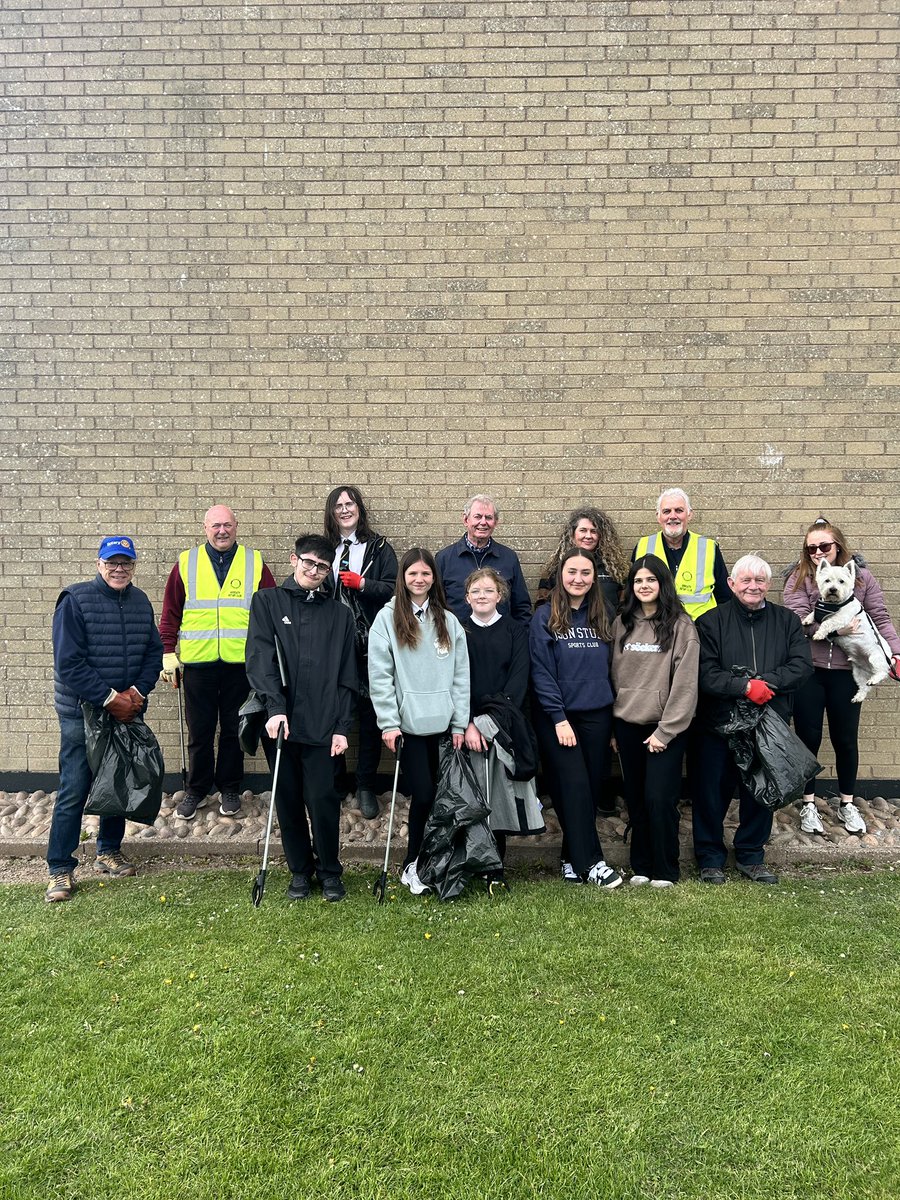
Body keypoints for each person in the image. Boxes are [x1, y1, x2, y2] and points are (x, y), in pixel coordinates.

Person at [47, 536, 163, 903]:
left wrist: (138, 694)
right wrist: (110, 698)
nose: (119, 568)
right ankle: (59, 869)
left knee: (117, 781)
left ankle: (108, 850)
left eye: (126, 563)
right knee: (74, 788)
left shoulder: (140, 600)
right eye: (112, 562)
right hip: (82, 712)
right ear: (99, 563)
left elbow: (153, 651)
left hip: (126, 709)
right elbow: (69, 663)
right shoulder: (75, 600)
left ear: (133, 566)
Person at [245, 535, 357, 902]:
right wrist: (275, 708)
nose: (314, 571)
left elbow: (346, 674)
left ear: (329, 572)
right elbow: (259, 658)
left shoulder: (341, 614)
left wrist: (342, 728)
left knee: (324, 800)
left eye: (322, 567)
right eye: (308, 562)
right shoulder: (267, 602)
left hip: (323, 725)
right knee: (288, 799)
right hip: (281, 724)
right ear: (294, 560)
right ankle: (299, 871)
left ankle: (329, 871)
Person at [693, 554, 813, 885]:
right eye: (745, 580)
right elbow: (704, 672)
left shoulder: (787, 621)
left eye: (760, 580)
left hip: (769, 724)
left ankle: (751, 855)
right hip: (720, 724)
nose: (753, 586)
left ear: (768, 585)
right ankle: (710, 857)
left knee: (761, 789)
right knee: (711, 791)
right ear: (731, 584)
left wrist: (767, 684)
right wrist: (744, 686)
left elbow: (801, 666)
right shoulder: (709, 621)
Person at [782, 517, 900, 837]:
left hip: (848, 671)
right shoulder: (799, 578)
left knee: (845, 739)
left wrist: (895, 653)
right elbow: (797, 624)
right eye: (812, 548)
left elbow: (879, 618)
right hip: (809, 671)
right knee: (808, 738)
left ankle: (847, 802)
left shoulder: (861, 578)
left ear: (838, 546)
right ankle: (808, 803)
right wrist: (841, 631)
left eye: (824, 546)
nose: (819, 552)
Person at [159, 505, 276, 820]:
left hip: (241, 665)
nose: (221, 531)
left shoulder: (254, 562)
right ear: (205, 528)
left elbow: (270, 613)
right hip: (198, 665)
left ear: (236, 526)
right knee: (199, 731)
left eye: (227, 525)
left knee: (233, 732)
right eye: (215, 526)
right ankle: (196, 790)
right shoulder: (187, 562)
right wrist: (168, 651)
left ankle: (229, 788)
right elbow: (171, 610)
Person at [367, 548, 470, 895]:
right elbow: (380, 675)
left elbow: (461, 675)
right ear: (403, 578)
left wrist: (459, 723)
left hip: (443, 725)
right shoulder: (387, 620)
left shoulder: (448, 621)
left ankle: (436, 859)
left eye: (426, 574)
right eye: (413, 574)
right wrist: (388, 722)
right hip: (408, 727)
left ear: (434, 579)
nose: (420, 579)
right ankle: (412, 863)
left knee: (441, 798)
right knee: (423, 793)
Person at [528, 548, 622, 889]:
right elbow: (540, 672)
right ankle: (592, 862)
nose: (578, 579)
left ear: (593, 578)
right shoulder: (543, 617)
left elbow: (614, 669)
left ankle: (570, 859)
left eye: (585, 572)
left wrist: (612, 720)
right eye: (572, 572)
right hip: (559, 717)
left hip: (597, 714)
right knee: (574, 787)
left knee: (589, 789)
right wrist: (558, 717)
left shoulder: (604, 614)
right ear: (560, 576)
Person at [610, 555, 699, 887]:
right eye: (637, 581)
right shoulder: (621, 624)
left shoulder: (681, 626)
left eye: (650, 580)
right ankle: (642, 866)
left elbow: (686, 684)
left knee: (660, 798)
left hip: (665, 728)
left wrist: (666, 731)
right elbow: (611, 676)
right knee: (636, 799)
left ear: (662, 584)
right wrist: (613, 726)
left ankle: (666, 869)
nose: (643, 586)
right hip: (627, 725)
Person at [462, 568, 544, 881]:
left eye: (488, 591)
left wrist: (487, 723)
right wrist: (468, 723)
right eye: (476, 591)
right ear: (467, 597)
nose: (482, 596)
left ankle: (495, 867)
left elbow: (518, 682)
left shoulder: (514, 631)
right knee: (472, 796)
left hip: (503, 726)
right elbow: (456, 681)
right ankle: (470, 863)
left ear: (500, 595)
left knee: (497, 797)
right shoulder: (459, 630)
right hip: (465, 728)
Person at [322, 485, 398, 819]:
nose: (344, 509)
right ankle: (335, 783)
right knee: (333, 712)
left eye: (349, 503)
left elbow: (396, 590)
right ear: (331, 512)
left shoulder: (379, 547)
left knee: (370, 716)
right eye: (338, 505)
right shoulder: (323, 549)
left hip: (371, 646)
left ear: (359, 508)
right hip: (332, 645)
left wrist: (363, 584)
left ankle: (366, 785)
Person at [632, 488, 730, 620]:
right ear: (658, 516)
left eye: (679, 510)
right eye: (666, 511)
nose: (673, 516)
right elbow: (631, 593)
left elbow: (724, 596)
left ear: (689, 515)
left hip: (701, 630)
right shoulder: (642, 546)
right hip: (656, 627)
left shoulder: (709, 548)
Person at [435, 494, 532, 624]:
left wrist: (519, 639)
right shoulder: (444, 558)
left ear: (495, 522)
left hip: (500, 640)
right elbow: (435, 604)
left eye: (489, 517)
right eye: (478, 516)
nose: (483, 522)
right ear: (465, 520)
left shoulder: (509, 558)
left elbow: (521, 607)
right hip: (457, 638)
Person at [536, 505, 627, 617]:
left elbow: (625, 607)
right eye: (583, 530)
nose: (588, 536)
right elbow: (542, 605)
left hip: (607, 631)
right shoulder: (554, 568)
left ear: (601, 536)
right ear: (572, 534)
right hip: (566, 630)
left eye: (594, 531)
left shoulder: (616, 568)